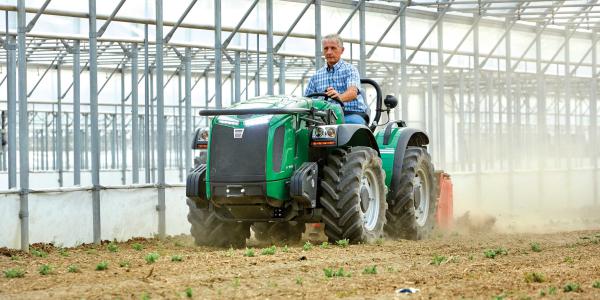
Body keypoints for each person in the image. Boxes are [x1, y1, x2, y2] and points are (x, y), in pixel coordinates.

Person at [304, 33, 368, 125]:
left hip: (350, 114)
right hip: (323, 117)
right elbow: (307, 100)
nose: (329, 52)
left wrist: (340, 97)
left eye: (333, 48)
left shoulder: (350, 70)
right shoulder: (316, 76)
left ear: (342, 50)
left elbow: (352, 93)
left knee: (344, 128)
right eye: (326, 48)